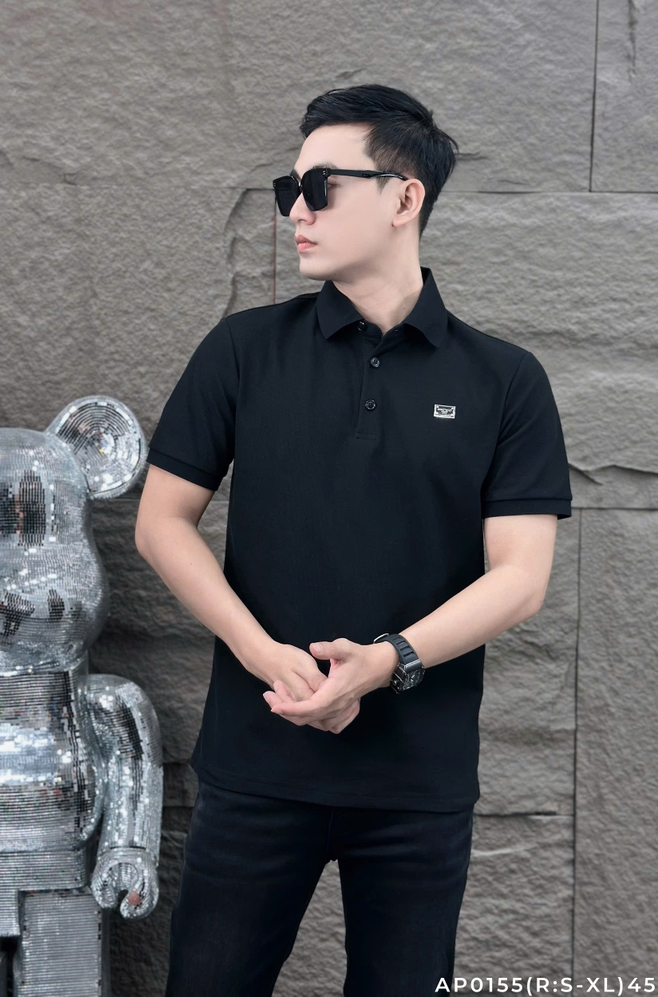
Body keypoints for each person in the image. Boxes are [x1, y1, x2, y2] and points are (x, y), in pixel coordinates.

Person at [135, 83, 572, 997]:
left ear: (404, 197)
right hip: (256, 765)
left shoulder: (504, 380)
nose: (295, 211)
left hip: (416, 784)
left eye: (319, 187)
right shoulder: (243, 350)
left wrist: (386, 662)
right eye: (286, 190)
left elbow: (520, 578)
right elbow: (161, 522)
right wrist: (264, 656)